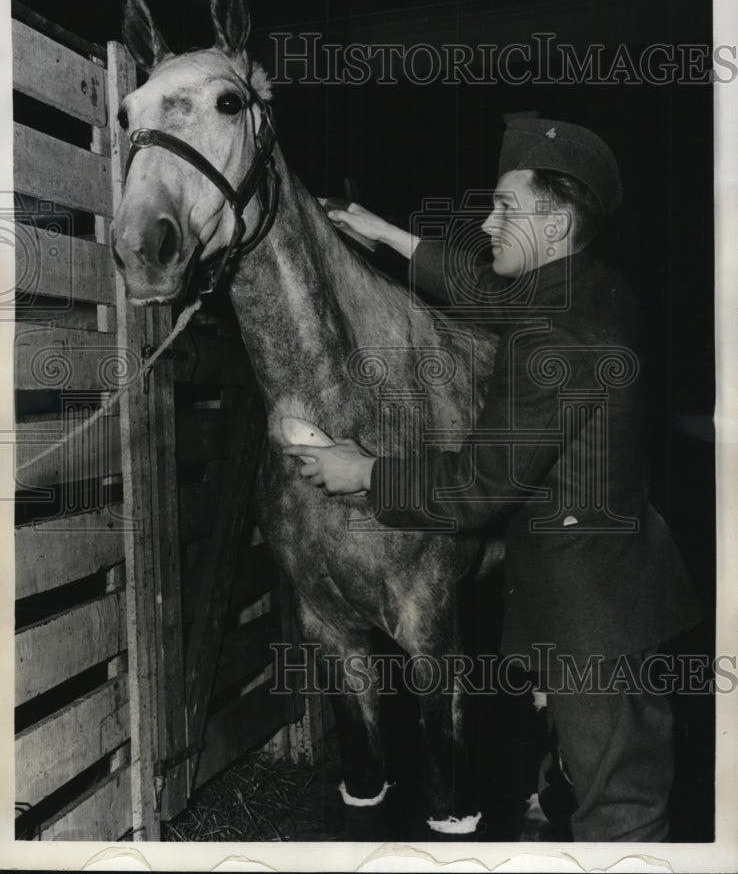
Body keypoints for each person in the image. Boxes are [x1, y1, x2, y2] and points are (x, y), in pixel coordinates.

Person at [284, 117, 701, 842]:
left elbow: (478, 489)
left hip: (589, 620)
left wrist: (364, 471)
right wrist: (384, 233)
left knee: (622, 812)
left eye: (506, 207)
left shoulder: (558, 339)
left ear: (556, 224)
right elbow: (486, 289)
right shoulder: (588, 289)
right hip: (608, 587)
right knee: (582, 785)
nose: (485, 222)